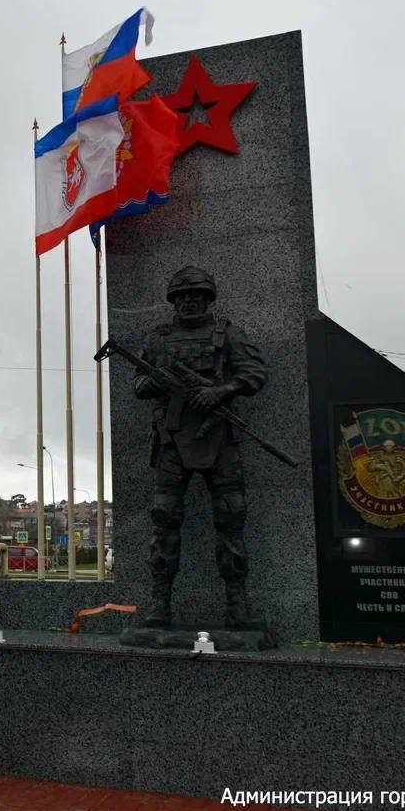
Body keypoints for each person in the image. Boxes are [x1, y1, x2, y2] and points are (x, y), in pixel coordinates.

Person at [134, 266, 268, 628]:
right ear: (173, 301)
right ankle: (159, 604)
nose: (189, 301)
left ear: (208, 299)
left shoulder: (228, 334)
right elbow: (139, 383)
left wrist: (220, 391)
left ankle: (237, 605)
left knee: (231, 516)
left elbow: (254, 374)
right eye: (182, 296)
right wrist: (156, 381)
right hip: (171, 441)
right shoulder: (158, 339)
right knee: (164, 519)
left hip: (219, 439)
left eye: (196, 295)